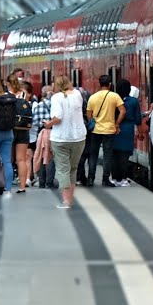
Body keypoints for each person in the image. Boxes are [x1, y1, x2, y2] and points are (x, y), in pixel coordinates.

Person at [45, 77, 87, 209]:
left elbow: (57, 117)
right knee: (73, 168)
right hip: (78, 137)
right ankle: (70, 198)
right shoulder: (78, 94)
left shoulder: (56, 98)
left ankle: (66, 201)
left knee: (63, 169)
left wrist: (48, 124)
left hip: (60, 138)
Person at [84, 75, 125, 188]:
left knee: (93, 155)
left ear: (99, 84)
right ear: (110, 84)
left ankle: (91, 179)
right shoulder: (114, 96)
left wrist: (92, 122)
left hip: (96, 130)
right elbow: (123, 111)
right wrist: (116, 124)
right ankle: (105, 179)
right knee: (107, 155)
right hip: (109, 130)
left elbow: (88, 113)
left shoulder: (93, 97)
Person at [111, 79, 141, 187]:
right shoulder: (133, 101)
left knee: (114, 155)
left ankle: (114, 178)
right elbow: (138, 119)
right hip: (128, 129)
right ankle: (123, 179)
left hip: (113, 128)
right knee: (124, 155)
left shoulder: (113, 99)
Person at [8, 77, 33, 193]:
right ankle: (22, 186)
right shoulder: (25, 95)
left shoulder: (6, 95)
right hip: (23, 128)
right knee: (21, 159)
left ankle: (7, 186)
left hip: (10, 129)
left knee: (8, 159)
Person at [32, 84, 56, 188]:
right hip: (54, 132)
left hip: (43, 133)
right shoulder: (56, 104)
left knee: (42, 156)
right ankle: (49, 181)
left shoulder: (39, 105)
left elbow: (35, 122)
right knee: (51, 157)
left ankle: (42, 181)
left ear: (42, 94)